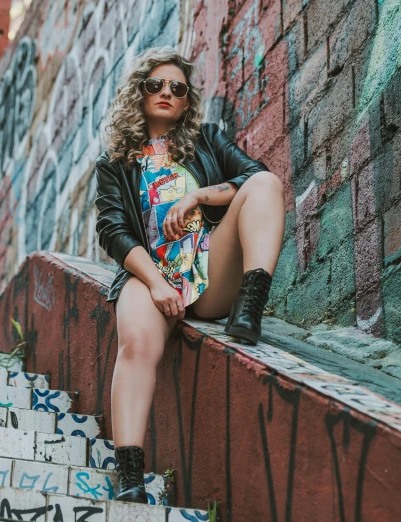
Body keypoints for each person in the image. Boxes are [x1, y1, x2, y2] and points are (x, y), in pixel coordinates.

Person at [94, 46, 284, 503]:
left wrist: (198, 196)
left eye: (176, 88)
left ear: (185, 100)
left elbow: (253, 176)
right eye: (155, 85)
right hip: (150, 275)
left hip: (209, 271)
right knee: (137, 343)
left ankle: (249, 308)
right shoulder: (115, 164)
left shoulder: (207, 139)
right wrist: (157, 283)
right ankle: (132, 477)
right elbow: (114, 232)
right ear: (138, 92)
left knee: (266, 185)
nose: (166, 93)